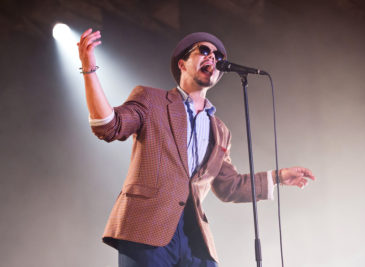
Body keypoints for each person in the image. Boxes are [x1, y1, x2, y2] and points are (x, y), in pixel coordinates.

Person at [77, 29, 315, 267]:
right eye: (203, 51)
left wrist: (278, 177)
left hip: (194, 237)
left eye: (218, 57)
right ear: (182, 63)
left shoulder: (220, 131)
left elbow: (229, 187)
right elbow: (109, 126)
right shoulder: (152, 100)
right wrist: (89, 71)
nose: (212, 57)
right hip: (147, 228)